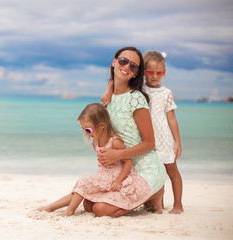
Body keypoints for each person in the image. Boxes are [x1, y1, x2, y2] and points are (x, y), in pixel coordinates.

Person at [37, 103, 152, 217]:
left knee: (83, 182)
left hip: (115, 175)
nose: (86, 133)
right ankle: (50, 207)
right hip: (104, 175)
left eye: (88, 130)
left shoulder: (114, 142)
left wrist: (118, 181)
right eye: (83, 129)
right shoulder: (96, 141)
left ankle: (69, 211)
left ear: (101, 125)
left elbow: (128, 162)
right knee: (86, 202)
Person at [96, 46, 166, 217]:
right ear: (114, 62)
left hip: (146, 169)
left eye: (133, 66)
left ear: (135, 74)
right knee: (89, 203)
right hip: (124, 171)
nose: (126, 67)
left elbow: (150, 144)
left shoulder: (136, 98)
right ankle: (148, 196)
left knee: (101, 210)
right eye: (123, 61)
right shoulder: (109, 97)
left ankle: (156, 190)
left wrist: (117, 155)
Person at [142, 50, 183, 214]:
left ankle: (178, 204)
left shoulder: (166, 93)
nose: (154, 76)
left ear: (164, 73)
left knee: (172, 171)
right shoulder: (139, 90)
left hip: (164, 139)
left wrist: (177, 141)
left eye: (158, 73)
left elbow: (172, 119)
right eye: (150, 72)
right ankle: (156, 202)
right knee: (152, 172)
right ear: (144, 72)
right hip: (146, 140)